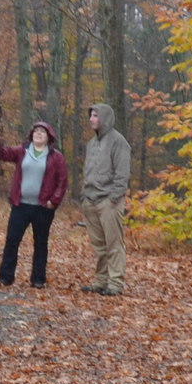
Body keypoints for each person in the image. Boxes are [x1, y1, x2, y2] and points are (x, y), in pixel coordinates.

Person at [0, 120, 68, 287]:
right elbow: (2, 153)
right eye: (35, 131)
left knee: (41, 242)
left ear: (48, 137)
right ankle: (5, 277)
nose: (38, 134)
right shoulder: (22, 151)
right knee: (12, 240)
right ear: (31, 135)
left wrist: (54, 201)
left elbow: (62, 181)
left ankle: (38, 279)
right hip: (20, 205)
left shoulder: (56, 157)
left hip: (43, 207)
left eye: (42, 132)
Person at [80, 102, 131, 295]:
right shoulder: (91, 144)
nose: (92, 119)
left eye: (95, 115)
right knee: (99, 245)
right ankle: (101, 281)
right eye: (91, 115)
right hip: (90, 200)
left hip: (109, 201)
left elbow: (122, 173)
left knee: (113, 244)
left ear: (105, 118)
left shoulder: (118, 141)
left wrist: (115, 196)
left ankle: (115, 283)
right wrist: (84, 196)